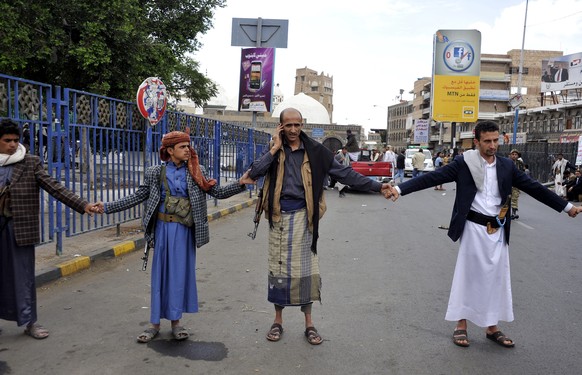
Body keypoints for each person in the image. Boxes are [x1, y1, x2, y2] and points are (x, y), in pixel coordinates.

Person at [383, 120, 581, 349]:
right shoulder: (463, 163)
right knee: (467, 277)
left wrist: (567, 208)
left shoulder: (507, 166)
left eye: (496, 140)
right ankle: (461, 325)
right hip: (473, 229)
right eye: (487, 141)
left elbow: (534, 188)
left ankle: (491, 327)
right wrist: (398, 188)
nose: (493, 145)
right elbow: (432, 178)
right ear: (476, 141)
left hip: (497, 231)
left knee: (496, 279)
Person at [248, 108, 391, 345]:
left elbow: (345, 174)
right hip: (278, 218)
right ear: (281, 126)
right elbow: (255, 172)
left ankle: (309, 324)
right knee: (278, 271)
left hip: (305, 218)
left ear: (302, 125)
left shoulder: (316, 151)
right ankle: (278, 321)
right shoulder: (274, 150)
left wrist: (377, 186)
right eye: (288, 125)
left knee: (306, 272)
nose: (293, 130)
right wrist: (274, 147)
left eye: (297, 125)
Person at [96, 130, 254, 343]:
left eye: (188, 146)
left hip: (184, 232)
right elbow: (137, 196)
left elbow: (216, 192)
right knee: (159, 276)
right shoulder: (155, 172)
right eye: (182, 147)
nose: (188, 150)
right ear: (170, 150)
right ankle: (154, 325)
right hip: (161, 230)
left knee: (179, 276)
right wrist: (106, 207)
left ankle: (176, 323)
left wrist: (240, 183)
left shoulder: (196, 171)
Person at [0, 119, 100, 340]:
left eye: (16, 140)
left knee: (23, 277)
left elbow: (54, 187)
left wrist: (83, 205)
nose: (12, 145)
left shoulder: (30, 162)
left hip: (19, 229)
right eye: (7, 140)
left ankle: (29, 323)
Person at [509, 149, 525, 219]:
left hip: (516, 184)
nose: (514, 156)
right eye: (513, 154)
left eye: (516, 154)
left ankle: (514, 213)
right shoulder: (507, 162)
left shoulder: (520, 163)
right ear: (510, 155)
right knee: (507, 198)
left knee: (515, 198)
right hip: (508, 183)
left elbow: (522, 173)